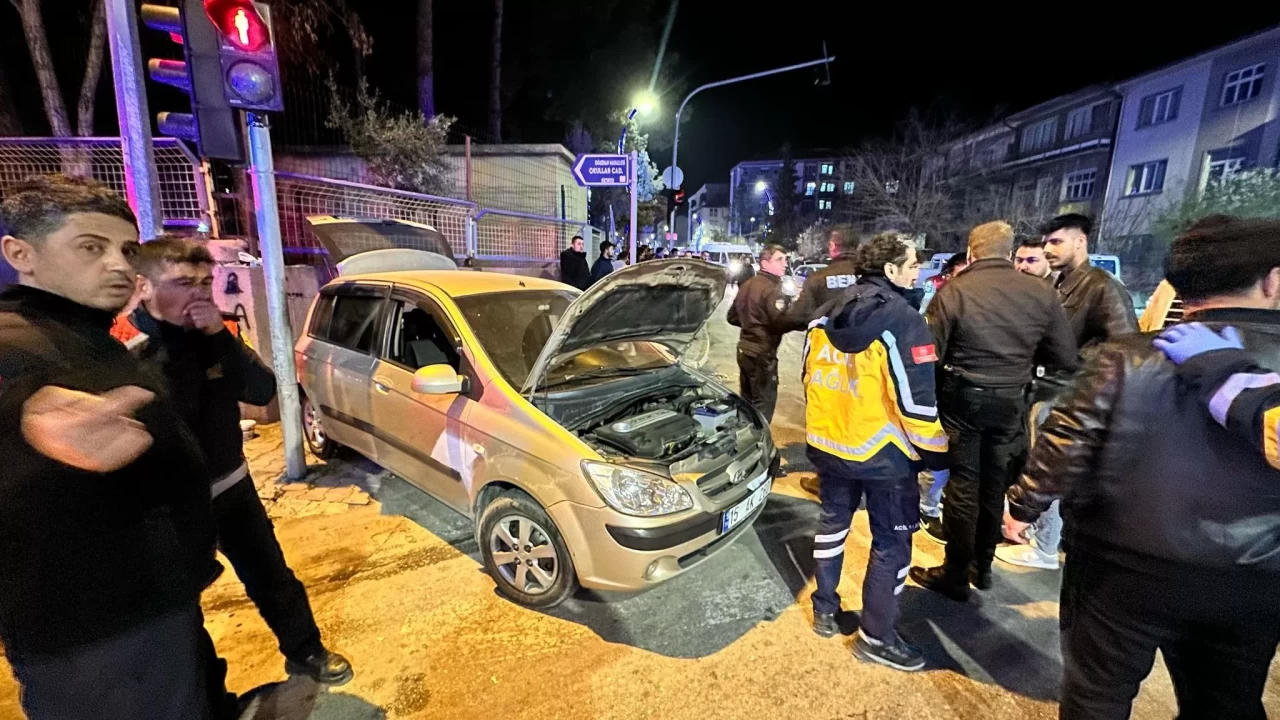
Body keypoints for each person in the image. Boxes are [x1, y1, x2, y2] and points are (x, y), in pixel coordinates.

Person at [1003, 215, 1280, 720]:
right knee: (1226, 702)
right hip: (1254, 575)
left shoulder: (1125, 357)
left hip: (1119, 566)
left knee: (1096, 697)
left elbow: (1067, 437)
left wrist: (1023, 504)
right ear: (1273, 279)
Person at [0, 176, 227, 719]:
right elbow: (25, 396)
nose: (119, 265)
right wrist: (25, 421)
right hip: (97, 638)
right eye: (90, 247)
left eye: (126, 250)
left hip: (148, 606)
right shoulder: (16, 341)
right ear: (20, 253)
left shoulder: (85, 334)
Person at [123, 237, 354, 686]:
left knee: (272, 576)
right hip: (170, 507)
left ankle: (306, 649)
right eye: (183, 282)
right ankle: (207, 690)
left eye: (205, 281)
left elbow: (263, 392)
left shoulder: (216, 338)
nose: (199, 292)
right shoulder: (131, 353)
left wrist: (217, 341)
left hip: (232, 486)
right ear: (144, 287)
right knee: (181, 603)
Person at [804, 233, 948, 672]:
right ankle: (877, 637)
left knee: (832, 526)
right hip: (885, 456)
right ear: (889, 270)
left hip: (831, 446)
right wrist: (938, 455)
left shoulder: (823, 314)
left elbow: (809, 382)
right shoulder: (904, 320)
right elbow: (916, 403)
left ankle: (825, 610)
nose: (918, 271)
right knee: (892, 545)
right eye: (911, 265)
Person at [909, 221, 1076, 600]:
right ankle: (982, 568)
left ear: (971, 253)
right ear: (1008, 250)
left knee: (963, 486)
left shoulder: (954, 292)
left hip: (963, 399)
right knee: (994, 486)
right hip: (1010, 400)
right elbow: (1065, 357)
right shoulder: (1041, 292)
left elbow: (927, 354)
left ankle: (954, 573)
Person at [997, 213, 1139, 571]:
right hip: (1050, 390)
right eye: (1046, 243)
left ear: (1081, 242)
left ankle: (1044, 547)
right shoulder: (1061, 285)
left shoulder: (1102, 286)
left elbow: (1126, 346)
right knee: (1044, 466)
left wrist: (1086, 375)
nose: (1048, 249)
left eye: (1056, 241)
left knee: (1054, 469)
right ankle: (1042, 538)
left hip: (1072, 394)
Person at [727, 244, 793, 422]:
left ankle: (745, 438)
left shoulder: (748, 284)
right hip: (762, 354)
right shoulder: (770, 289)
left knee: (748, 402)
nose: (785, 264)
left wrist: (750, 323)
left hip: (745, 351)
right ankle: (759, 444)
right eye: (779, 260)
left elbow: (732, 317)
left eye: (785, 260)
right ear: (765, 263)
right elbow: (781, 322)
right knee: (764, 404)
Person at [784, 227, 860, 325]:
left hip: (826, 337)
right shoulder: (873, 275)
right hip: (869, 338)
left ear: (832, 246)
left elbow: (799, 315)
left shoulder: (817, 278)